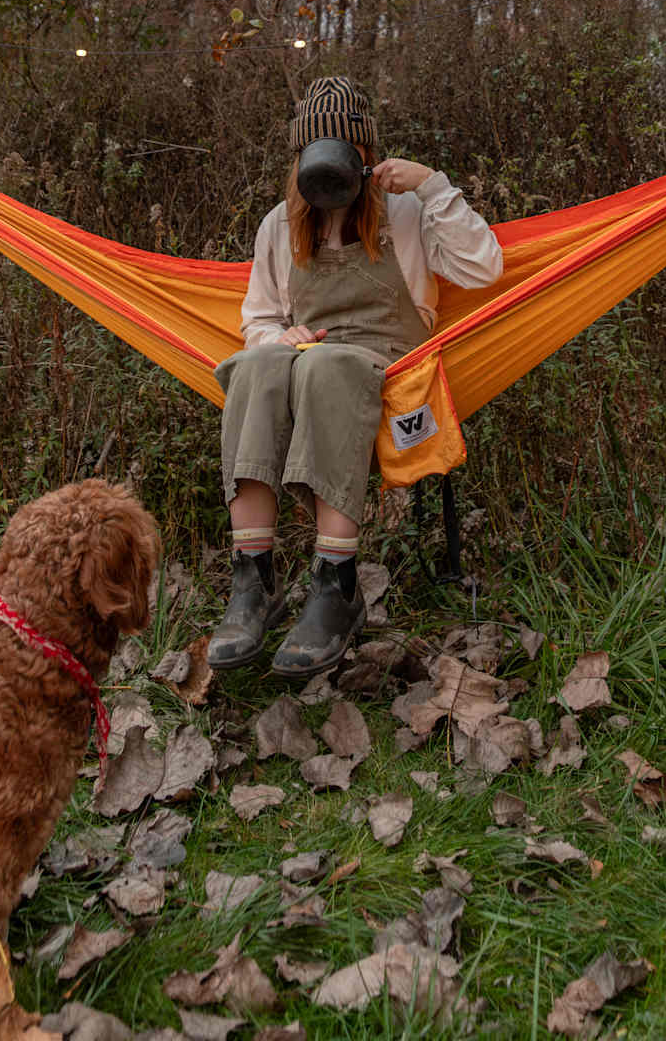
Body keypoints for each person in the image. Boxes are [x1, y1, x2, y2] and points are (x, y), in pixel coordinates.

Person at [208, 75, 503, 677]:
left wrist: (433, 186)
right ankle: (252, 582)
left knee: (324, 364)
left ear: (363, 157)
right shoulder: (278, 227)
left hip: (394, 372)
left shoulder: (406, 211)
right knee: (255, 363)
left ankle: (336, 583)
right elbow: (257, 320)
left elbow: (484, 268)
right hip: (309, 362)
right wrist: (277, 338)